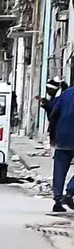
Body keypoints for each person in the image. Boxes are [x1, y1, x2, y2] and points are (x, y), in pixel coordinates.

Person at [43, 81, 74, 211]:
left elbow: (54, 113)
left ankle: (57, 201)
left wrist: (52, 134)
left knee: (59, 169)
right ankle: (70, 191)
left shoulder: (66, 93)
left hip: (62, 136)